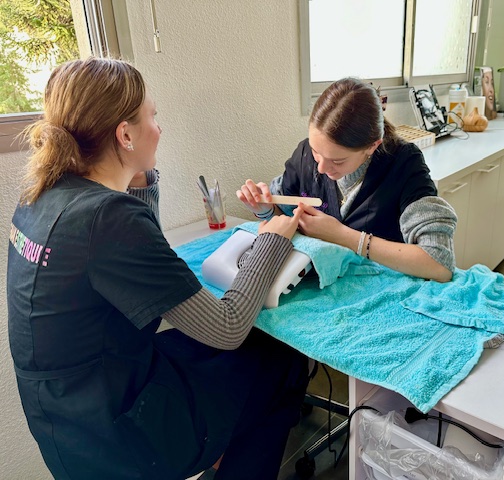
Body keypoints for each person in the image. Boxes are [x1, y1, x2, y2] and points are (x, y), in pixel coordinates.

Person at [7, 57, 310, 480]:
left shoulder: (42, 195)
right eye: (153, 116)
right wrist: (271, 241)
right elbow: (227, 328)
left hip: (66, 419)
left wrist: (139, 177)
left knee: (213, 354)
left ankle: (219, 444)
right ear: (124, 134)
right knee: (280, 360)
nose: (159, 128)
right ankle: (217, 450)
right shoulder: (107, 218)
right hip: (120, 435)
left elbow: (137, 258)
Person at [237, 78, 457, 283]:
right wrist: (266, 210)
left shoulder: (404, 163)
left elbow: (439, 264)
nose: (321, 168)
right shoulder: (305, 154)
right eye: (316, 152)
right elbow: (285, 220)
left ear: (372, 146)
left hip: (380, 286)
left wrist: (343, 236)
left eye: (338, 161)